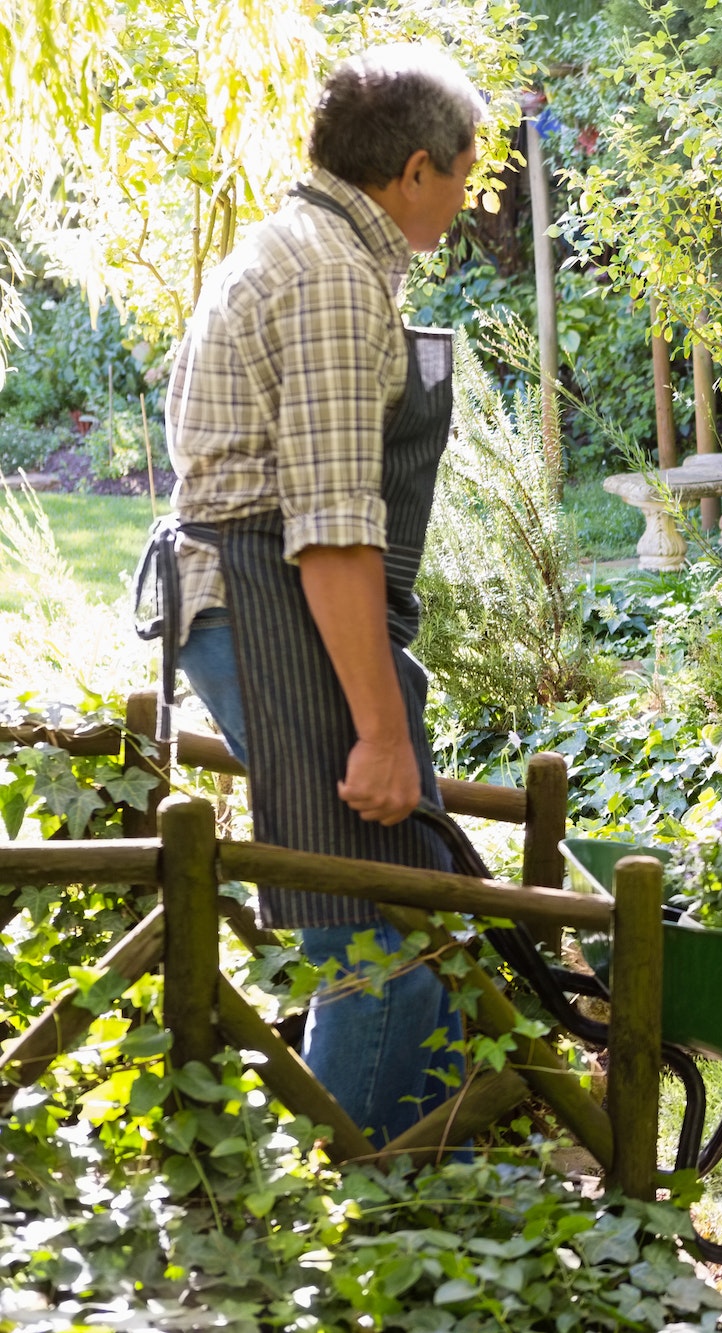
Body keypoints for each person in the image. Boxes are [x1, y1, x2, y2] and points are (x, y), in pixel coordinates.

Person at [137, 45, 487, 1142]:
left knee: (405, 915)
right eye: (467, 174)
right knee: (377, 938)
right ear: (417, 170)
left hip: (270, 604)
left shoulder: (306, 246)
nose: (468, 198)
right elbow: (331, 533)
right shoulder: (331, 278)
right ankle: (356, 1231)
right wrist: (379, 733)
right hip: (269, 605)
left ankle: (419, 1195)